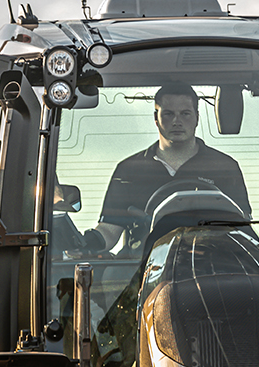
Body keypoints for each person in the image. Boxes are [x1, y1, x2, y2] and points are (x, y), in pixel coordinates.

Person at [87, 83, 249, 251]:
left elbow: (242, 226)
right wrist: (87, 243)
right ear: (156, 118)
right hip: (142, 268)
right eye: (168, 114)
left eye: (185, 114)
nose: (177, 121)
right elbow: (109, 230)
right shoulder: (129, 170)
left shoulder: (224, 167)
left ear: (197, 118)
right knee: (109, 275)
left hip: (210, 265)